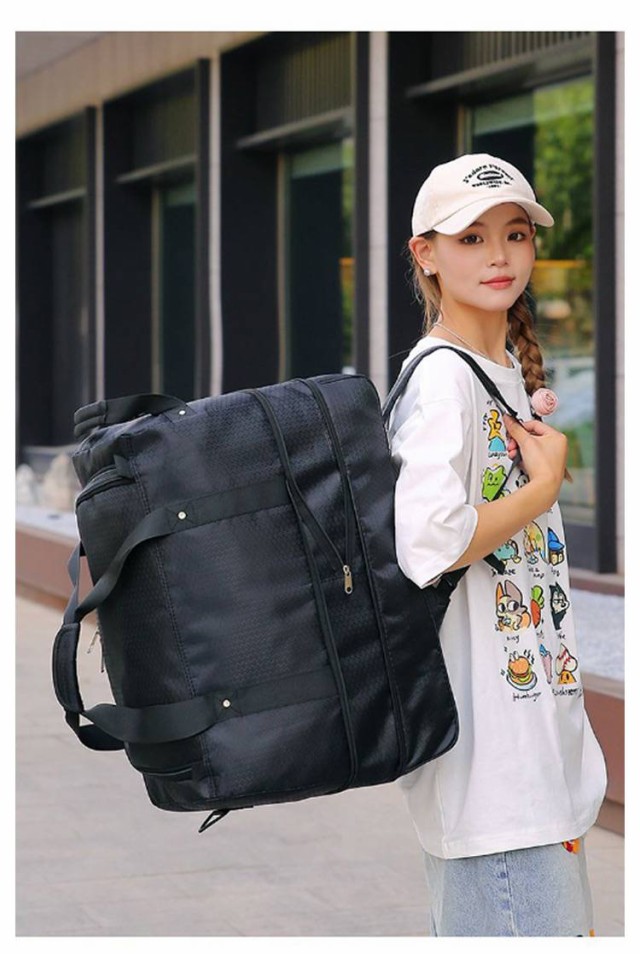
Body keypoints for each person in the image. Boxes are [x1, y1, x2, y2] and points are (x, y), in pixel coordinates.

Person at [387, 153, 608, 937]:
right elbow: (427, 543)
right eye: (471, 238)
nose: (500, 255)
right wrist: (540, 494)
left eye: (515, 234)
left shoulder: (499, 371)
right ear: (425, 254)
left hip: (536, 765)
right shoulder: (443, 379)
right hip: (492, 782)